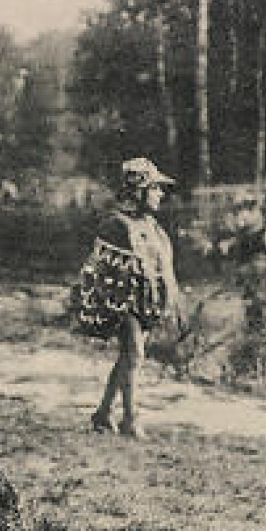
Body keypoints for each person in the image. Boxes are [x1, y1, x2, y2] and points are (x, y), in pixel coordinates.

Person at [71, 157, 180, 439]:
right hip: (122, 301)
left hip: (143, 301)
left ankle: (103, 413)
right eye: (155, 188)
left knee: (128, 357)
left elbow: (162, 265)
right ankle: (131, 418)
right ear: (139, 190)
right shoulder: (117, 224)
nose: (160, 194)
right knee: (135, 353)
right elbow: (107, 269)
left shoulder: (152, 226)